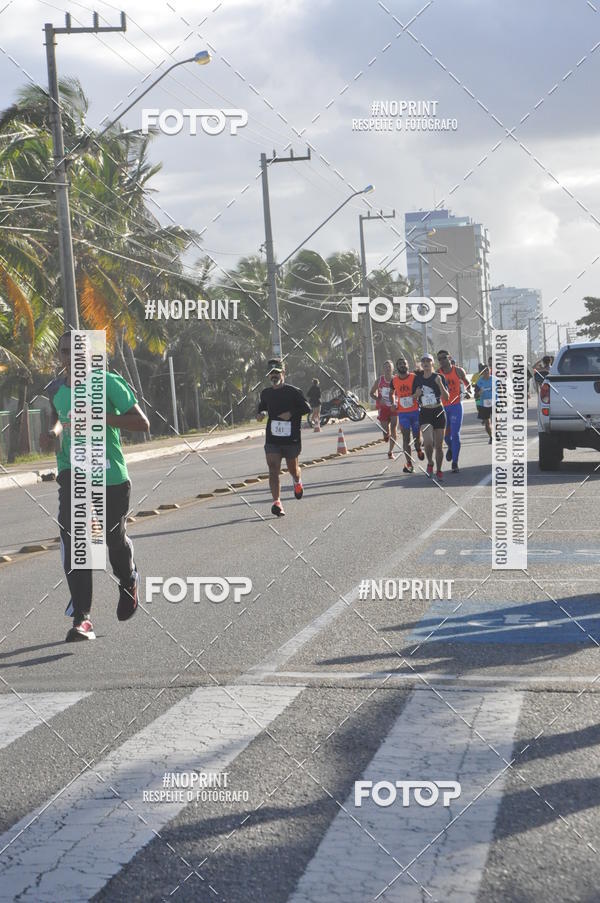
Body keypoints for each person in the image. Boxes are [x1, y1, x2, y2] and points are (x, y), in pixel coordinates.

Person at [40, 331, 149, 642]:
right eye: (65, 351)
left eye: (77, 350)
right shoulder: (57, 388)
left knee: (112, 538)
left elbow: (142, 423)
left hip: (110, 475)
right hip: (72, 472)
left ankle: (128, 579)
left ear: (89, 353)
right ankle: (82, 618)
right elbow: (59, 416)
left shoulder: (108, 383)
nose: (70, 356)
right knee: (76, 539)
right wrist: (52, 432)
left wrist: (101, 417)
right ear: (60, 355)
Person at [257, 358, 311, 517]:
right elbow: (262, 408)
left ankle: (297, 481)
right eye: (271, 373)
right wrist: (261, 414)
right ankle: (277, 503)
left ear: (283, 373)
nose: (274, 376)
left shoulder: (293, 391)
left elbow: (306, 408)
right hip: (273, 438)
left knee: (293, 469)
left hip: (291, 438)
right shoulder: (266, 393)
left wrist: (291, 413)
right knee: (273, 469)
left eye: (277, 372)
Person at [412, 353, 449, 479]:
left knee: (439, 446)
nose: (426, 363)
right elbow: (413, 398)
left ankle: (439, 470)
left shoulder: (439, 377)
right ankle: (430, 462)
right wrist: (416, 394)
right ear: (421, 364)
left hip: (438, 411)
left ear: (432, 363)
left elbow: (446, 397)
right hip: (425, 412)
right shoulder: (417, 379)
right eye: (423, 361)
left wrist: (440, 384)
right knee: (428, 442)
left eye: (428, 361)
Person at [437, 350, 471, 473]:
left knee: (455, 434)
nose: (442, 360)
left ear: (449, 357)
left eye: (444, 358)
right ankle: (451, 448)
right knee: (446, 437)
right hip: (443, 408)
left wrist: (468, 391)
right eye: (439, 359)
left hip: (456, 406)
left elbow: (467, 384)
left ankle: (455, 462)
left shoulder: (458, 371)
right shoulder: (437, 373)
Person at [389, 357, 424, 473]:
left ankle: (418, 449)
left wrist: (416, 395)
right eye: (400, 364)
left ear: (408, 365)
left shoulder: (414, 377)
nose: (402, 365)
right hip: (403, 413)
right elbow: (391, 393)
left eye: (404, 363)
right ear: (397, 367)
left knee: (417, 437)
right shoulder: (394, 380)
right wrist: (393, 403)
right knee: (406, 438)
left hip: (415, 411)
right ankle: (409, 463)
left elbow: (420, 391)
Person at [370, 360, 396, 455]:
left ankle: (391, 451)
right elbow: (371, 393)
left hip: (393, 407)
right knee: (386, 432)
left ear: (393, 369)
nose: (388, 368)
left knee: (393, 429)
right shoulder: (379, 380)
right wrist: (379, 399)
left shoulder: (396, 379)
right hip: (383, 408)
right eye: (386, 367)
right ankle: (386, 434)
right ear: (383, 369)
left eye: (389, 367)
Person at [475, 365, 494, 442]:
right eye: (484, 371)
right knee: (487, 422)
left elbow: (501, 390)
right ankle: (491, 437)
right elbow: (475, 396)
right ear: (482, 372)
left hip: (495, 402)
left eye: (487, 370)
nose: (486, 372)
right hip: (484, 403)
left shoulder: (495, 379)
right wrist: (479, 393)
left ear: (490, 371)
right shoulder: (479, 382)